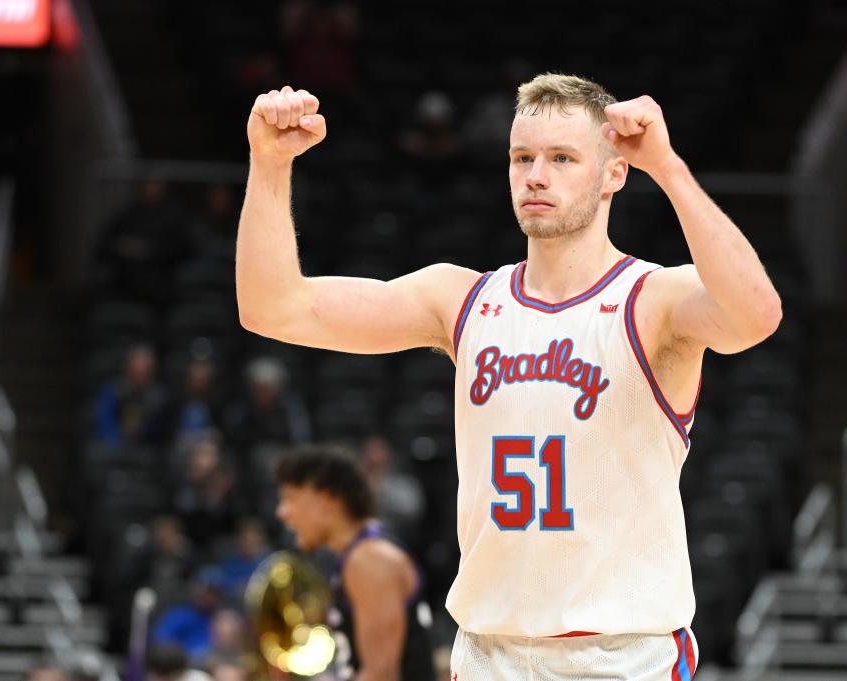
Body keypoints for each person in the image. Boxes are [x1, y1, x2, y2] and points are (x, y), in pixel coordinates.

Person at [238, 74, 782, 679]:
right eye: (522, 157)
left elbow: (757, 314)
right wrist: (268, 162)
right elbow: (273, 308)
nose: (536, 176)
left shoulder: (651, 300)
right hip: (491, 652)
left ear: (614, 173)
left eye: (562, 158)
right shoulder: (461, 299)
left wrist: (669, 168)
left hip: (625, 654)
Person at [274, 445, 435, 681]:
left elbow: (382, 675)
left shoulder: (370, 560)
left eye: (290, 498)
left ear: (326, 499)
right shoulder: (357, 555)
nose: (282, 512)